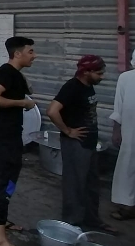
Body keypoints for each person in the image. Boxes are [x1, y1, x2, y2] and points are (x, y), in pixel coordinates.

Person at [47, 55, 115, 233]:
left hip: (89, 143)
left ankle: (92, 220)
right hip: (75, 144)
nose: (102, 77)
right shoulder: (72, 87)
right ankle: (72, 226)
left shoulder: (88, 86)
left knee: (92, 184)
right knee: (75, 184)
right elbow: (52, 111)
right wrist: (68, 131)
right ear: (86, 72)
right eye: (99, 73)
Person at [0, 36, 36, 246]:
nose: (34, 55)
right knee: (2, 178)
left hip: (9, 134)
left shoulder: (14, 74)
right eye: (30, 52)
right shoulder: (5, 73)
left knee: (6, 175)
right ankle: (0, 240)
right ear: (17, 54)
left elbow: (28, 89)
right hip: (2, 136)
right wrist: (22, 103)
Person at [110, 46, 135, 221]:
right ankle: (128, 206)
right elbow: (118, 107)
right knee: (128, 168)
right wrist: (116, 130)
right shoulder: (126, 78)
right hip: (130, 132)